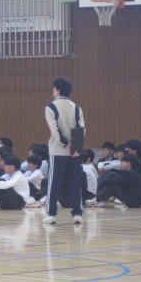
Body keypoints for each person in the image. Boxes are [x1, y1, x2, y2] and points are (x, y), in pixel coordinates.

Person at [43, 77, 84, 225]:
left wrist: (65, 144)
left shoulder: (51, 107)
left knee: (54, 182)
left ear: (58, 89)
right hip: (75, 152)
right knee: (75, 182)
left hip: (57, 151)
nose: (52, 91)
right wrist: (76, 148)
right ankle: (77, 214)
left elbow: (55, 130)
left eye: (54, 88)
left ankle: (51, 214)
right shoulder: (77, 107)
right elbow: (81, 129)